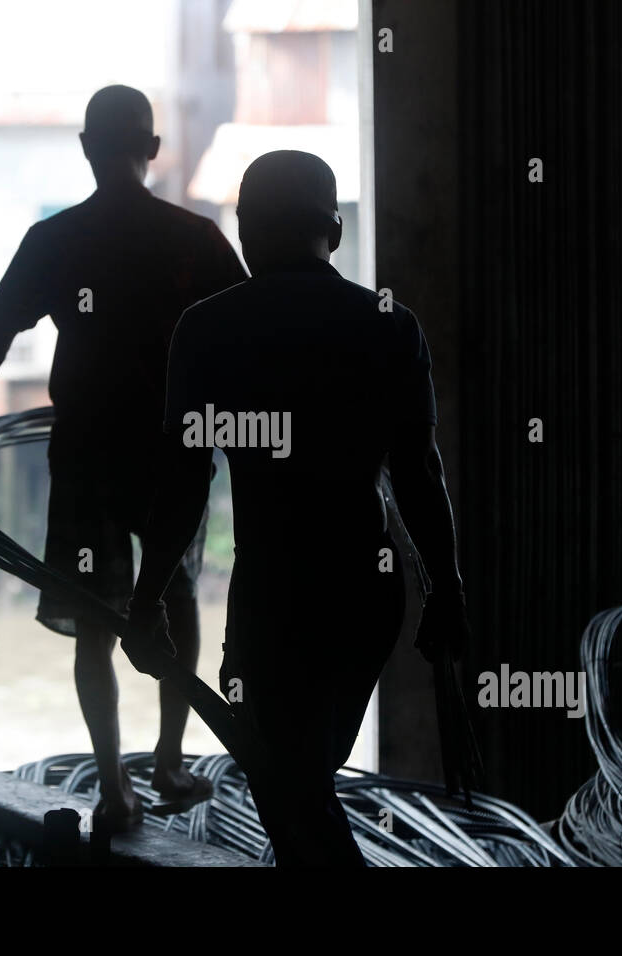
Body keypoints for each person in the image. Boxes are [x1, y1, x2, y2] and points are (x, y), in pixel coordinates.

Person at [125, 150, 472, 865]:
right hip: (364, 593)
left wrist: (146, 596)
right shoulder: (389, 324)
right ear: (334, 233)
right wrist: (447, 588)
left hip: (272, 596)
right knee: (301, 787)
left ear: (246, 232)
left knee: (291, 791)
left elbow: (184, 481)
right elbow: (418, 470)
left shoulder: (209, 327)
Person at [0, 85, 247, 832]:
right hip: (171, 454)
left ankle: (114, 786)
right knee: (177, 595)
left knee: (95, 618)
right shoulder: (195, 240)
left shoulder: (56, 240)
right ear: (154, 149)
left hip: (88, 452)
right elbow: (251, 342)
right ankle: (169, 762)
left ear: (86, 147)